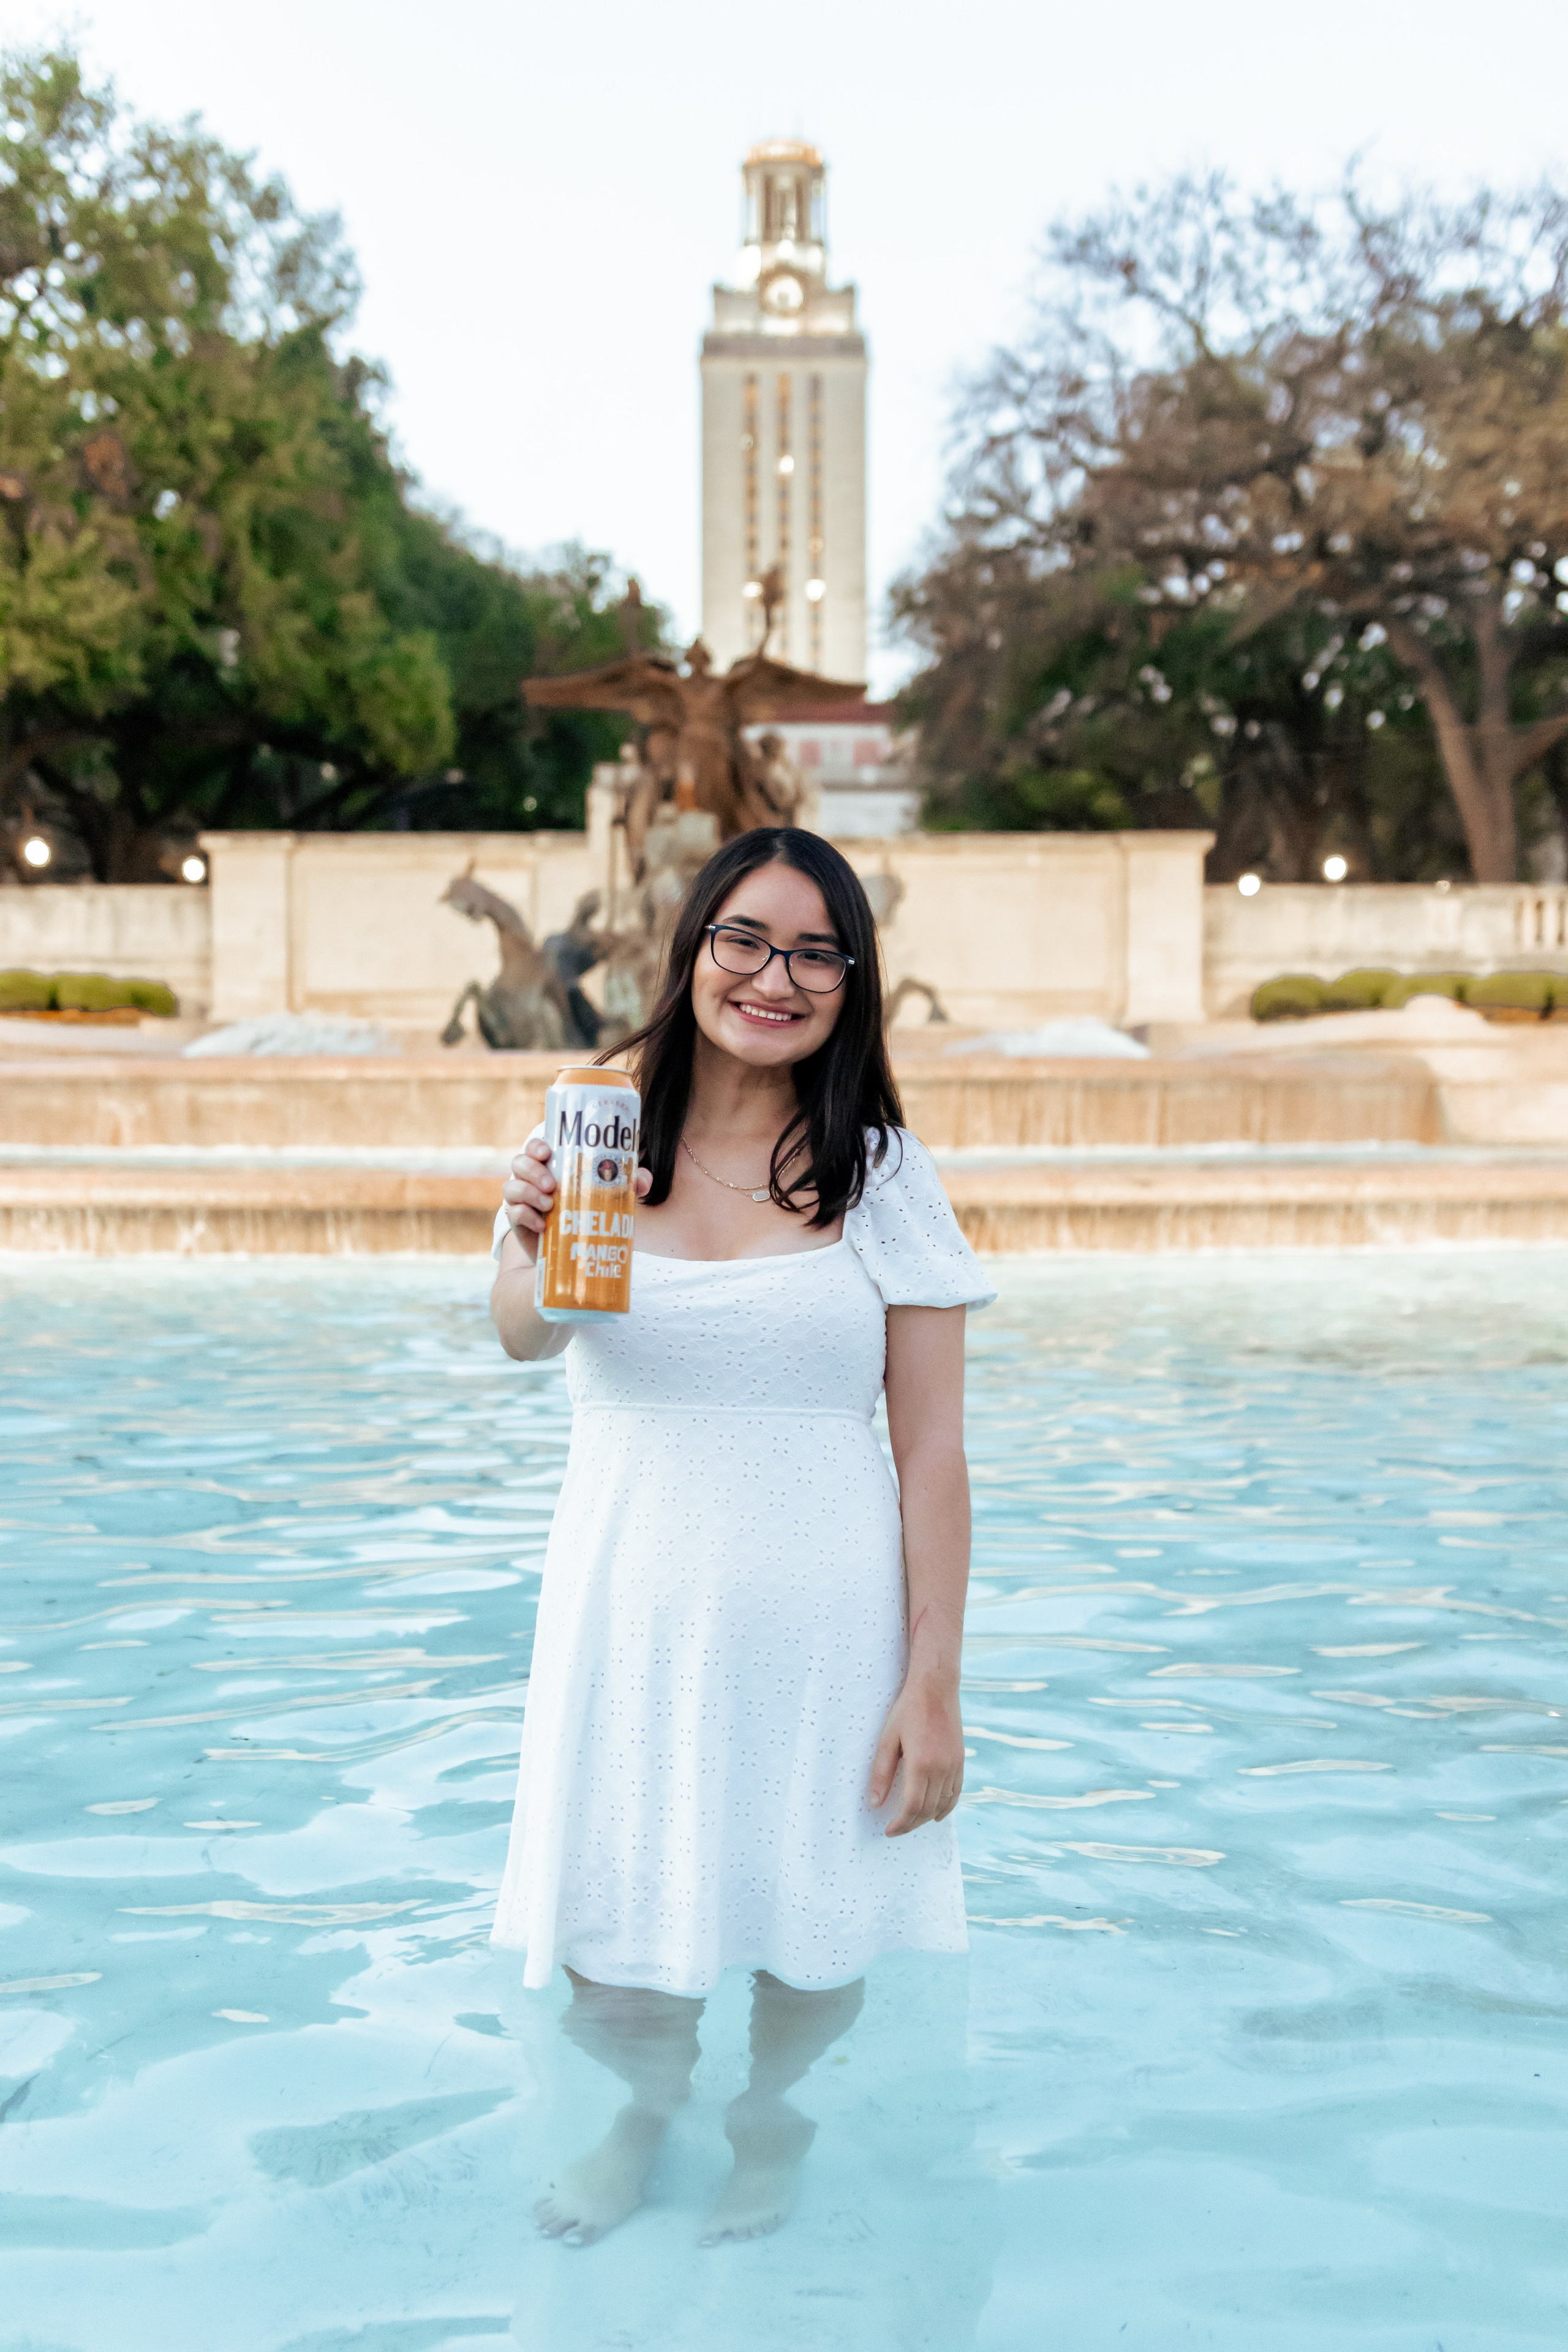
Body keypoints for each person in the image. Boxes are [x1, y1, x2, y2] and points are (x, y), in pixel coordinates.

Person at [489, 827, 994, 2248]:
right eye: (746, 940)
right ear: (692, 946)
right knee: (615, 1918)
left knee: (812, 1912)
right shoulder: (592, 1129)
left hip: (829, 1624)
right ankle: (645, 2112)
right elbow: (527, 1343)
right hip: (627, 1611)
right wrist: (524, 1248)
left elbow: (933, 1447)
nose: (776, 977)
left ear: (852, 979)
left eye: (816, 951)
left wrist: (932, 1679)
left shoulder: (879, 1171)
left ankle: (769, 2117)